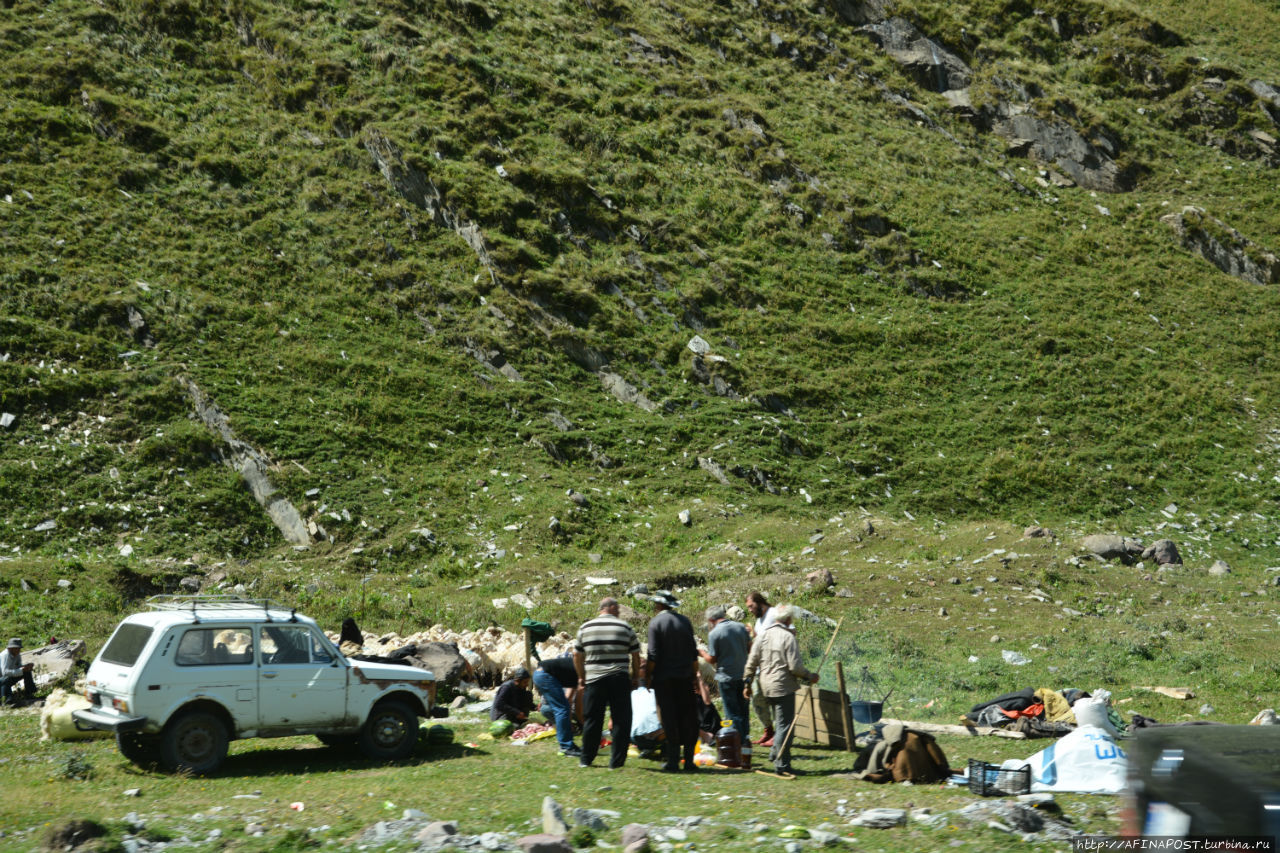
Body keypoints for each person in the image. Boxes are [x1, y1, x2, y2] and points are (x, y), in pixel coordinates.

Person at [742, 605, 818, 776]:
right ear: (789, 620)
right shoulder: (787, 637)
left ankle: (775, 754)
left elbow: (751, 663)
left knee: (780, 723)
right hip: (783, 687)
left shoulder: (762, 637)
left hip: (765, 686)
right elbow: (795, 667)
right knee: (785, 726)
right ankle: (782, 764)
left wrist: (747, 685)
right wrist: (809, 676)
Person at [573, 597, 642, 769]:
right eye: (617, 608)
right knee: (621, 720)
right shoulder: (625, 627)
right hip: (619, 678)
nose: (619, 611)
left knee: (592, 719)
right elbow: (635, 655)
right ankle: (616, 762)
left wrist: (581, 677)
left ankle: (586, 759)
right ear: (610, 607)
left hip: (594, 679)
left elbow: (576, 655)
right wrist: (634, 678)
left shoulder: (585, 627)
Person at [645, 591, 700, 772]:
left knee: (669, 720)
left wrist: (648, 676)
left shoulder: (655, 623)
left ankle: (673, 761)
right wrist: (694, 677)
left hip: (664, 680)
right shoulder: (685, 622)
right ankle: (690, 761)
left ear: (659, 606)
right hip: (685, 677)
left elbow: (652, 655)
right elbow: (694, 654)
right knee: (688, 719)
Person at [700, 604, 751, 742]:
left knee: (731, 712)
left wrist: (701, 652)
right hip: (743, 675)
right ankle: (745, 738)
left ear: (711, 620)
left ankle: (737, 742)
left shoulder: (714, 633)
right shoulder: (741, 627)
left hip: (726, 678)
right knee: (743, 710)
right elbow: (750, 648)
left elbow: (712, 659)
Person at [744, 591, 777, 745]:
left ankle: (779, 734)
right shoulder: (759, 621)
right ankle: (768, 730)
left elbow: (790, 631)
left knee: (775, 700)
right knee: (757, 699)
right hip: (760, 668)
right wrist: (752, 634)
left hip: (773, 666)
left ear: (759, 602)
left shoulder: (774, 614)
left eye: (751, 606)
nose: (749, 610)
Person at [534, 653, 582, 757]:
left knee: (564, 707)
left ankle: (568, 745)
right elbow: (578, 707)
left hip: (540, 674)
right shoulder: (582, 673)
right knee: (561, 708)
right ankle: (566, 747)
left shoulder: (577, 673)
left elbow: (569, 699)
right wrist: (586, 725)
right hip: (544, 674)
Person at [1, 638, 36, 706]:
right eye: (17, 648)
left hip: (9, 676)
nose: (19, 650)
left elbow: (18, 666)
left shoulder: (17, 655)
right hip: (2, 679)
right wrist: (21, 670)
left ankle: (30, 692)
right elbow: (4, 672)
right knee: (6, 679)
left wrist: (25, 667)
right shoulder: (5, 655)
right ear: (11, 648)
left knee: (27, 672)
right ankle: (7, 699)